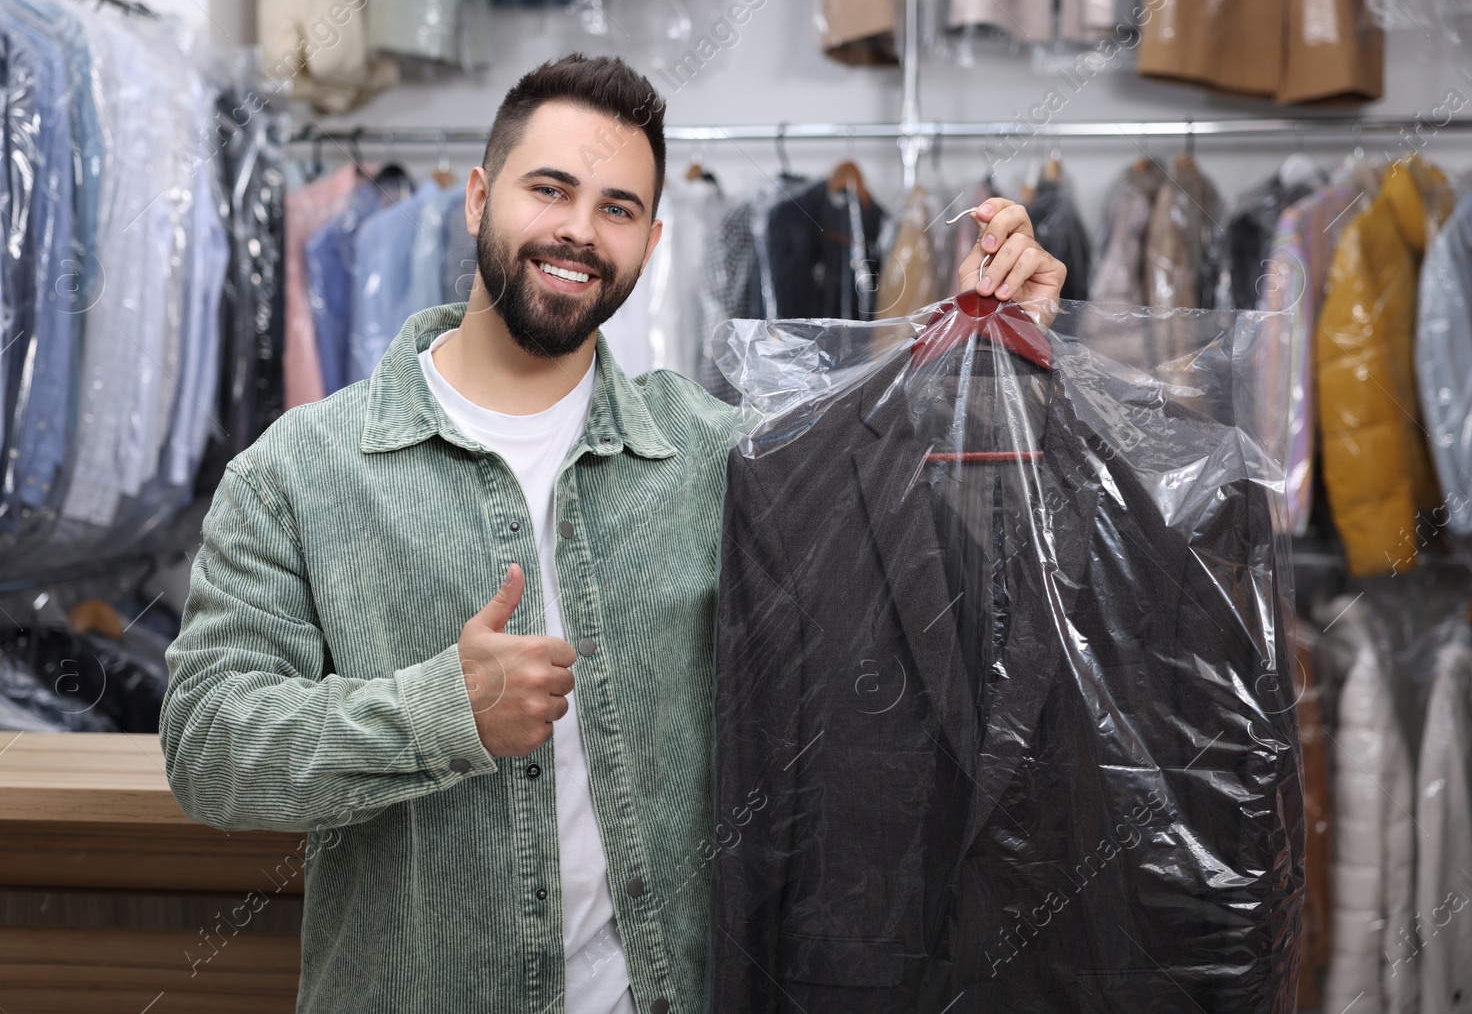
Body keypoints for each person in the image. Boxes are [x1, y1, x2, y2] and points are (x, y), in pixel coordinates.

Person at [159, 53, 1067, 1014]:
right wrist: (440, 712)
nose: (578, 232)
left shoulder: (721, 456)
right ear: (477, 197)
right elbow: (207, 747)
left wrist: (1002, 364)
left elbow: (923, 564)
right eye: (549, 189)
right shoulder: (296, 470)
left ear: (651, 239)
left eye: (617, 208)